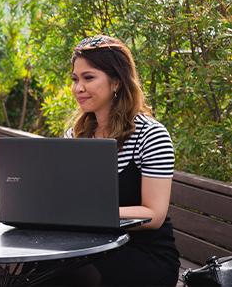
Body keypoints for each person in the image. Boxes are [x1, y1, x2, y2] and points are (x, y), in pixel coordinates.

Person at [47, 36, 180, 286]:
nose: (78, 88)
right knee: (37, 265)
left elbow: (154, 214)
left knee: (64, 269)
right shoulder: (76, 134)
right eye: (75, 79)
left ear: (116, 80)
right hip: (89, 245)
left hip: (141, 255)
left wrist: (87, 216)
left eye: (88, 78)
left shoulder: (151, 135)